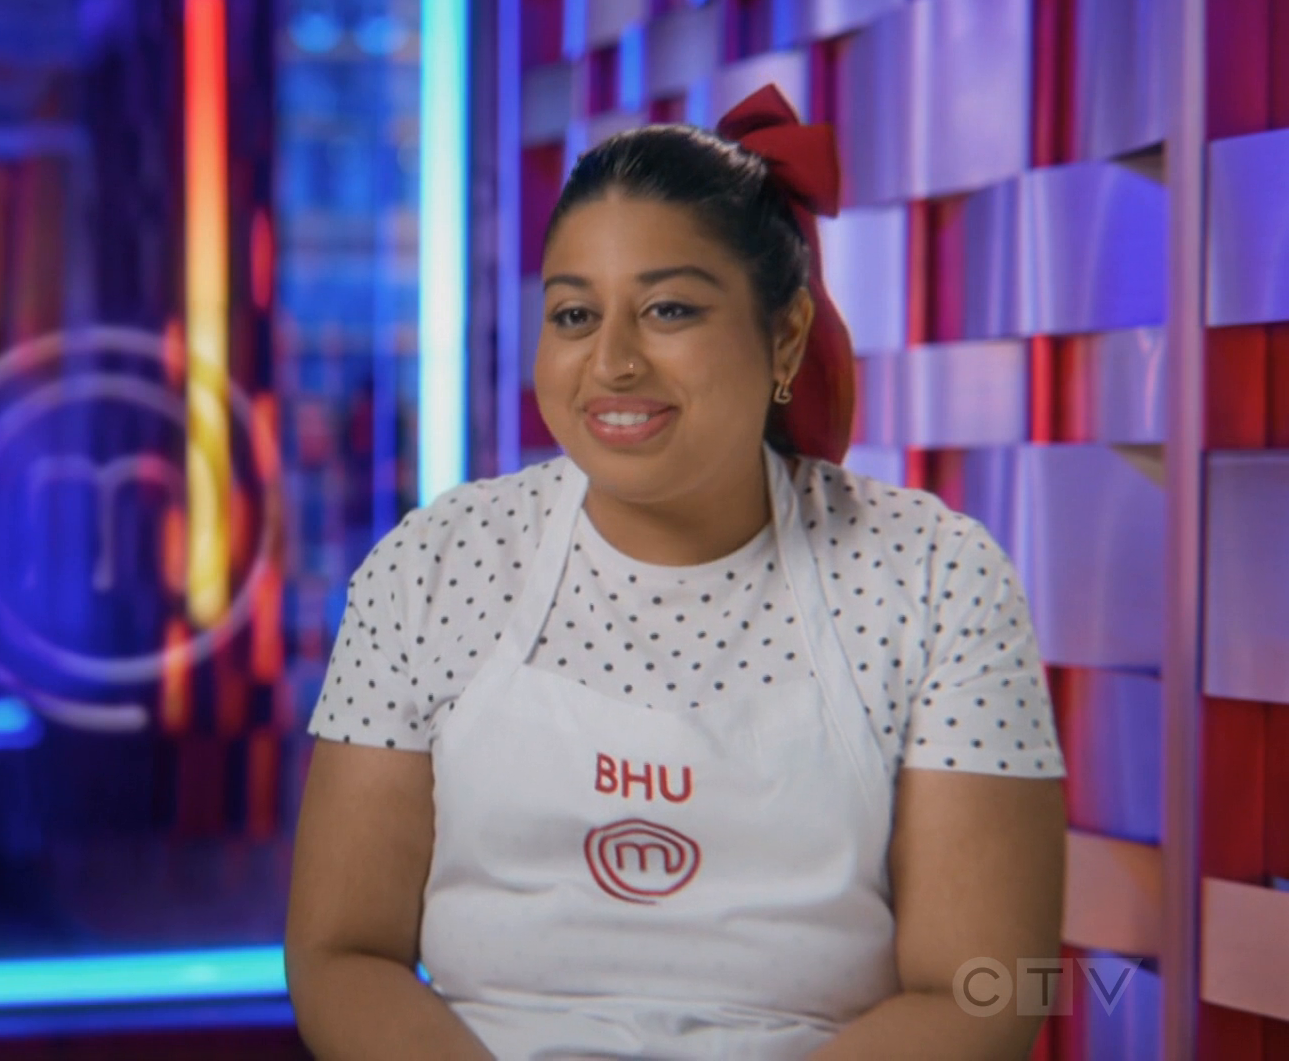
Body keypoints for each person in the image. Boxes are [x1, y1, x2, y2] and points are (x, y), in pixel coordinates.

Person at [284, 86, 1067, 1060]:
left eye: (669, 309)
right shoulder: (433, 567)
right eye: (575, 314)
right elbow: (342, 953)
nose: (611, 361)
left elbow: (983, 991)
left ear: (785, 335)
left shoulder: (937, 578)